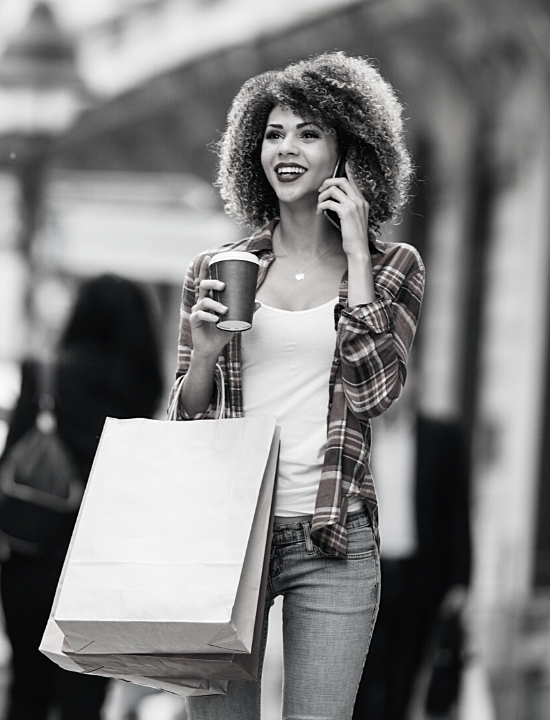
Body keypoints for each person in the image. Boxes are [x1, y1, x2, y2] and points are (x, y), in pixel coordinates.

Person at [170, 52, 425, 720]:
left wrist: (360, 259)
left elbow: (376, 396)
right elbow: (185, 422)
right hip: (230, 535)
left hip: (333, 537)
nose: (287, 148)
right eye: (275, 132)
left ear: (349, 151)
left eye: (309, 133)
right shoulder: (221, 269)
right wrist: (203, 357)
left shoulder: (396, 265)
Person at [0, 274, 164, 720]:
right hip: (104, 568)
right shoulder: (143, 390)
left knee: (27, 691)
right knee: (84, 699)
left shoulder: (45, 374)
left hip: (32, 556)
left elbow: (9, 466)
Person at [353, 370, 471, 720]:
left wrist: (461, 581)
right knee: (360, 674)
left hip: (420, 576)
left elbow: (458, 510)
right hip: (366, 573)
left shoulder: (441, 436)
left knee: (403, 676)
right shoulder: (358, 435)